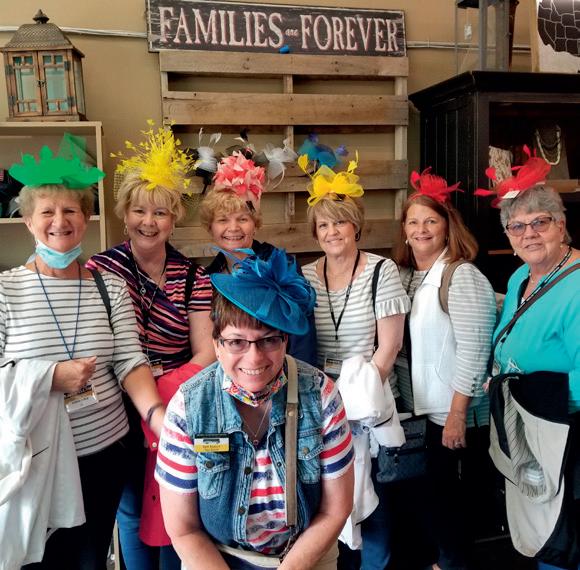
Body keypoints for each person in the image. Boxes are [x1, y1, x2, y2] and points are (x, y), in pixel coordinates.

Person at [0, 137, 165, 570]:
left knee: (91, 557)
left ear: (86, 218)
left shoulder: (109, 287)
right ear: (28, 221)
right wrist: (50, 377)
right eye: (47, 212)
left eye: (71, 210)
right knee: (38, 559)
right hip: (35, 460)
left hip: (105, 455)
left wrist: (157, 418)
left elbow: (130, 361)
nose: (60, 221)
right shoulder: (5, 290)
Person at [155, 248, 355, 569]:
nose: (254, 358)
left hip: (305, 554)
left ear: (285, 340)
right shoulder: (188, 407)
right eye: (237, 342)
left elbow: (335, 510)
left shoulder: (321, 395)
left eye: (268, 340)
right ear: (216, 344)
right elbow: (184, 528)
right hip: (216, 557)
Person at [87, 122, 215, 570]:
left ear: (174, 218)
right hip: (116, 407)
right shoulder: (98, 271)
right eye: (139, 211)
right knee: (130, 506)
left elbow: (207, 352)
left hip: (176, 403)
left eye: (160, 213)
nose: (149, 221)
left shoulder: (193, 277)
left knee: (177, 506)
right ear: (124, 214)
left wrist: (165, 391)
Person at [299, 153, 410, 570]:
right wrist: (326, 400)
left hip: (368, 396)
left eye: (340, 223)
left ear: (356, 226)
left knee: (373, 496)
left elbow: (389, 348)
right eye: (323, 225)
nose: (332, 232)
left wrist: (355, 400)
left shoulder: (382, 271)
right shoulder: (305, 276)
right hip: (319, 396)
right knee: (328, 493)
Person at [478, 152, 580, 570]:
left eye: (540, 222)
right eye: (517, 226)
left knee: (563, 533)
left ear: (561, 224)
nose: (529, 234)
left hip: (564, 433)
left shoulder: (577, 285)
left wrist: (534, 398)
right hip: (528, 423)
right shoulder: (521, 276)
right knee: (541, 524)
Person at [392, 168, 497, 570]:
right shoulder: (405, 275)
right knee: (430, 500)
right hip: (420, 410)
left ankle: (453, 564)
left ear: (447, 227)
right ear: (404, 230)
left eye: (430, 222)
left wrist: (456, 414)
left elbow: (474, 349)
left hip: (454, 413)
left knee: (451, 504)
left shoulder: (460, 274)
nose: (421, 230)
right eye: (413, 222)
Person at [199, 148, 317, 365]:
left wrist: (295, 378)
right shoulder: (206, 278)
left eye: (242, 219)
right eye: (223, 220)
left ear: (255, 224)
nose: (233, 228)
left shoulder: (280, 265)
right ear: (211, 227)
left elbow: (302, 338)